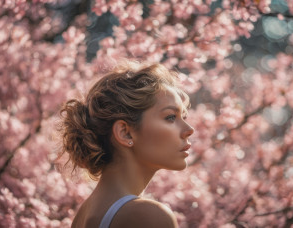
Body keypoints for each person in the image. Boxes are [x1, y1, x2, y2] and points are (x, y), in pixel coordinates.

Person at [58, 61, 195, 228]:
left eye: (184, 117)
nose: (189, 130)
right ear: (125, 132)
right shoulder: (148, 217)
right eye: (170, 117)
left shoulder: (83, 216)